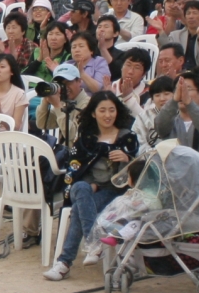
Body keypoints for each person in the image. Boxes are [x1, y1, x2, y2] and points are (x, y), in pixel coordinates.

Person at [44, 92, 140, 280]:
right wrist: (93, 185)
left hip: (116, 191)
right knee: (80, 188)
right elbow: (76, 167)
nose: (107, 115)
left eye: (111, 110)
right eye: (102, 110)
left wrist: (127, 159)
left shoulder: (126, 138)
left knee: (80, 207)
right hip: (90, 189)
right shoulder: (86, 140)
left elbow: (136, 174)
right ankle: (94, 243)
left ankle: (64, 262)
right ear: (94, 113)